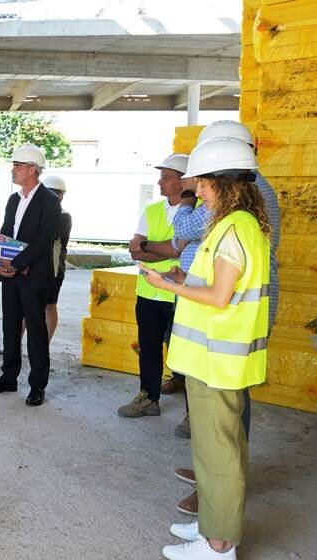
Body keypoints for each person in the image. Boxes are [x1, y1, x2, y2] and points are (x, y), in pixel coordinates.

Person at [140, 136, 271, 560]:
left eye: (200, 182)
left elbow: (219, 297)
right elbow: (215, 286)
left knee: (220, 454)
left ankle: (218, 546)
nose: (193, 188)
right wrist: (181, 279)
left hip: (219, 358)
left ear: (221, 182)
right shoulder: (236, 224)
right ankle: (212, 527)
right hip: (212, 357)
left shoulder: (235, 227)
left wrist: (164, 283)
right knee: (213, 449)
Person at [166, 120, 282, 515]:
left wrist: (183, 200)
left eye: (201, 180)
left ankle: (218, 490)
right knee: (228, 407)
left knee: (224, 414)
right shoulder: (248, 200)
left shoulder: (234, 210)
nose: (197, 187)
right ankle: (215, 478)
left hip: (229, 319)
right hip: (235, 310)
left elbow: (182, 228)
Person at [0, 144, 61, 407]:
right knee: (11, 326)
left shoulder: (50, 201)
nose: (13, 170)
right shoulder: (14, 199)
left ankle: (37, 385)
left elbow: (43, 241)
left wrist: (16, 263)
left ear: (32, 170)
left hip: (34, 275)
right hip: (11, 275)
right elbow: (5, 232)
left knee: (36, 330)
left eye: (17, 165)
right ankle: (8, 377)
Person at [117, 153, 186, 418]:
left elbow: (187, 250)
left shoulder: (198, 212)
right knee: (149, 347)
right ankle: (148, 397)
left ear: (184, 181)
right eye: (161, 177)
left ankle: (195, 412)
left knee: (187, 351)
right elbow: (136, 250)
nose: (160, 182)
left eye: (167, 177)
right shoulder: (152, 210)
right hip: (150, 291)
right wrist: (170, 250)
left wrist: (153, 248)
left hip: (183, 294)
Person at [42, 175, 71, 342]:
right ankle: (15, 344)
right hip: (34, 268)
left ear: (61, 196)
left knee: (49, 306)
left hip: (54, 270)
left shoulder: (63, 216)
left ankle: (43, 346)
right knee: (26, 307)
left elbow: (47, 237)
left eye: (55, 193)